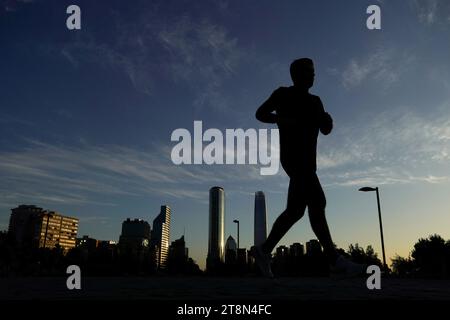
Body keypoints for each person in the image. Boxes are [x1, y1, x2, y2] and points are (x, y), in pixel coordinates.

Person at [252, 58, 363, 278]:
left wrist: (328, 122)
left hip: (309, 162)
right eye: (309, 72)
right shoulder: (283, 94)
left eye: (314, 72)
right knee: (318, 201)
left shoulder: (316, 101)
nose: (313, 75)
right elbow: (260, 114)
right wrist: (282, 119)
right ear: (297, 74)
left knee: (296, 211)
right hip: (293, 159)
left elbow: (325, 129)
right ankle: (334, 260)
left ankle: (264, 250)